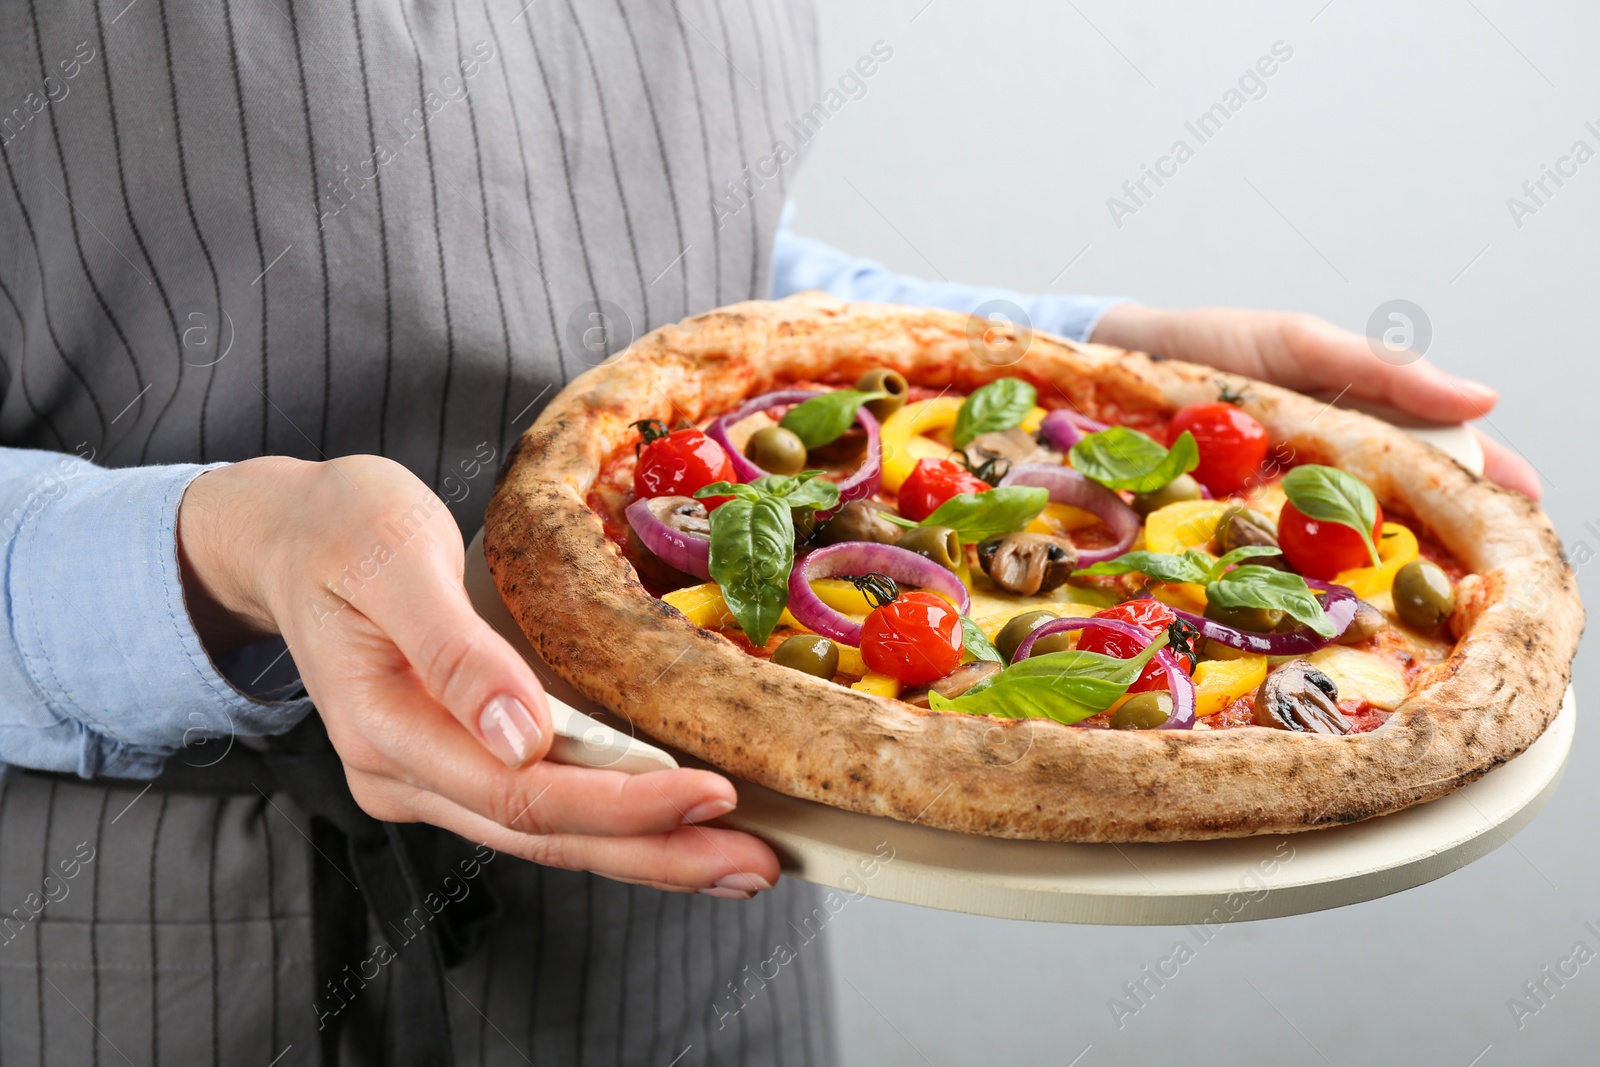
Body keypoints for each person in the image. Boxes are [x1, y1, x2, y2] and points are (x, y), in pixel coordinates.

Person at [0, 3, 1537, 1065]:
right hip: (150, 956)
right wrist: (226, 558)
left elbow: (615, 264)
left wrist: (1069, 359)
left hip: (687, 948)